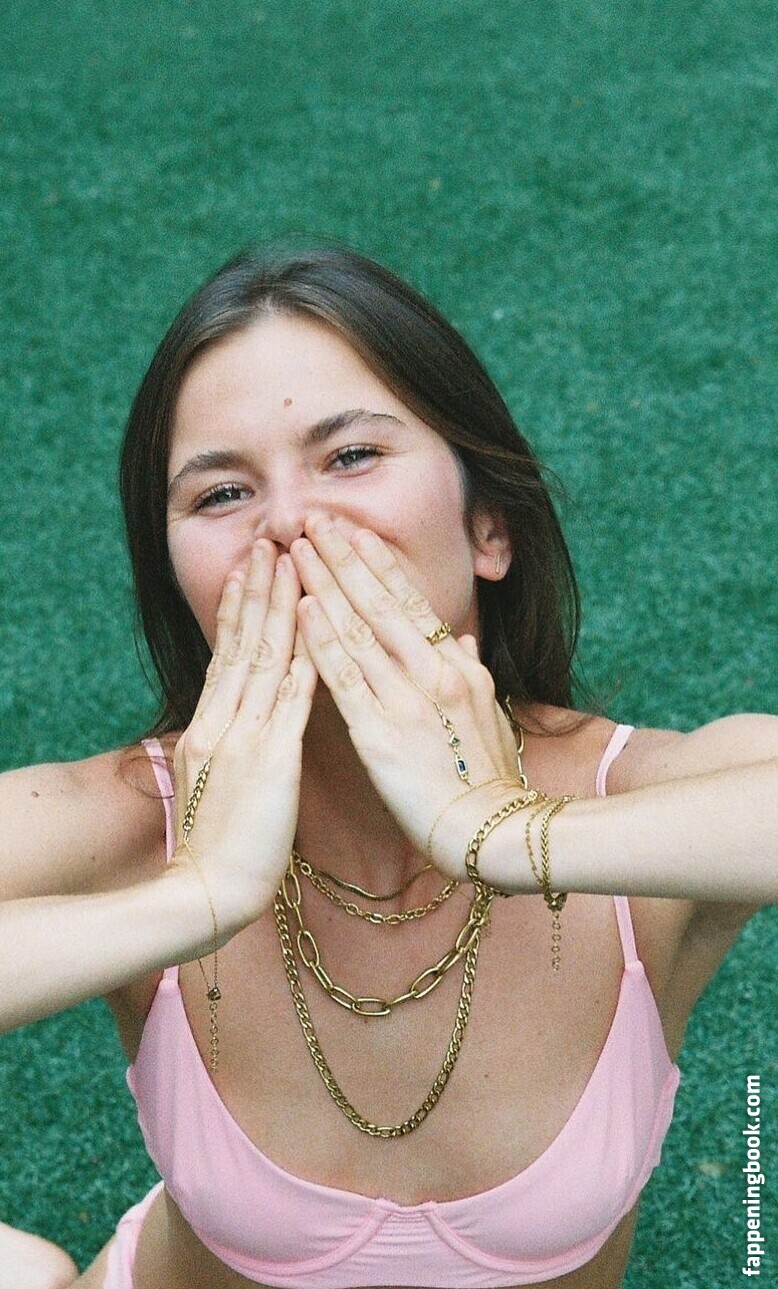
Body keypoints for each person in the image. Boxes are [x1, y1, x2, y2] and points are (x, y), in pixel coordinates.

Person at [1, 244, 775, 1289]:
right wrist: (197, 892)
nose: (288, 522)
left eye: (351, 455)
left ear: (488, 527)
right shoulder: (141, 817)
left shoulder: (630, 801)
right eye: (222, 492)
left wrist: (508, 831)